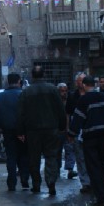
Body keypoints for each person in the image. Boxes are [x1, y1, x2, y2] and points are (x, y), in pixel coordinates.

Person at [16, 65, 67, 196]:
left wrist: (20, 131)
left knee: (34, 158)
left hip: (33, 130)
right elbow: (60, 109)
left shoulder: (26, 92)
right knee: (51, 156)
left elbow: (21, 113)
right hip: (51, 128)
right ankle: (51, 183)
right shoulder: (52, 90)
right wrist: (62, 126)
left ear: (32, 76)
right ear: (43, 75)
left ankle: (36, 184)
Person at [69, 74, 104, 206]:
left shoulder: (84, 100)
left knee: (93, 166)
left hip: (90, 138)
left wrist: (71, 134)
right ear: (95, 85)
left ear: (84, 86)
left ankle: (100, 195)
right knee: (102, 164)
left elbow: (77, 119)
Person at [0, 72, 29, 191]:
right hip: (23, 132)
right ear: (19, 81)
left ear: (8, 82)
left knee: (11, 157)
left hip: (7, 131)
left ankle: (11, 183)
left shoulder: (0, 97)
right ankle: (24, 180)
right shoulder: (24, 95)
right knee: (23, 156)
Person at [67, 72, 91, 191]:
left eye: (83, 80)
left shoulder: (91, 95)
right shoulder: (72, 96)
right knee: (80, 157)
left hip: (90, 129)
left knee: (90, 156)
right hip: (77, 129)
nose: (81, 83)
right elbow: (68, 114)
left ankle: (92, 179)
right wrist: (69, 129)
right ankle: (85, 182)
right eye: (79, 81)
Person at [56, 83, 76, 177]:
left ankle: (70, 169)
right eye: (62, 91)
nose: (64, 93)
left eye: (65, 91)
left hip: (68, 129)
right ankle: (57, 168)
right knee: (57, 150)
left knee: (70, 149)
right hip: (58, 129)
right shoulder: (55, 101)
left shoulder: (70, 99)